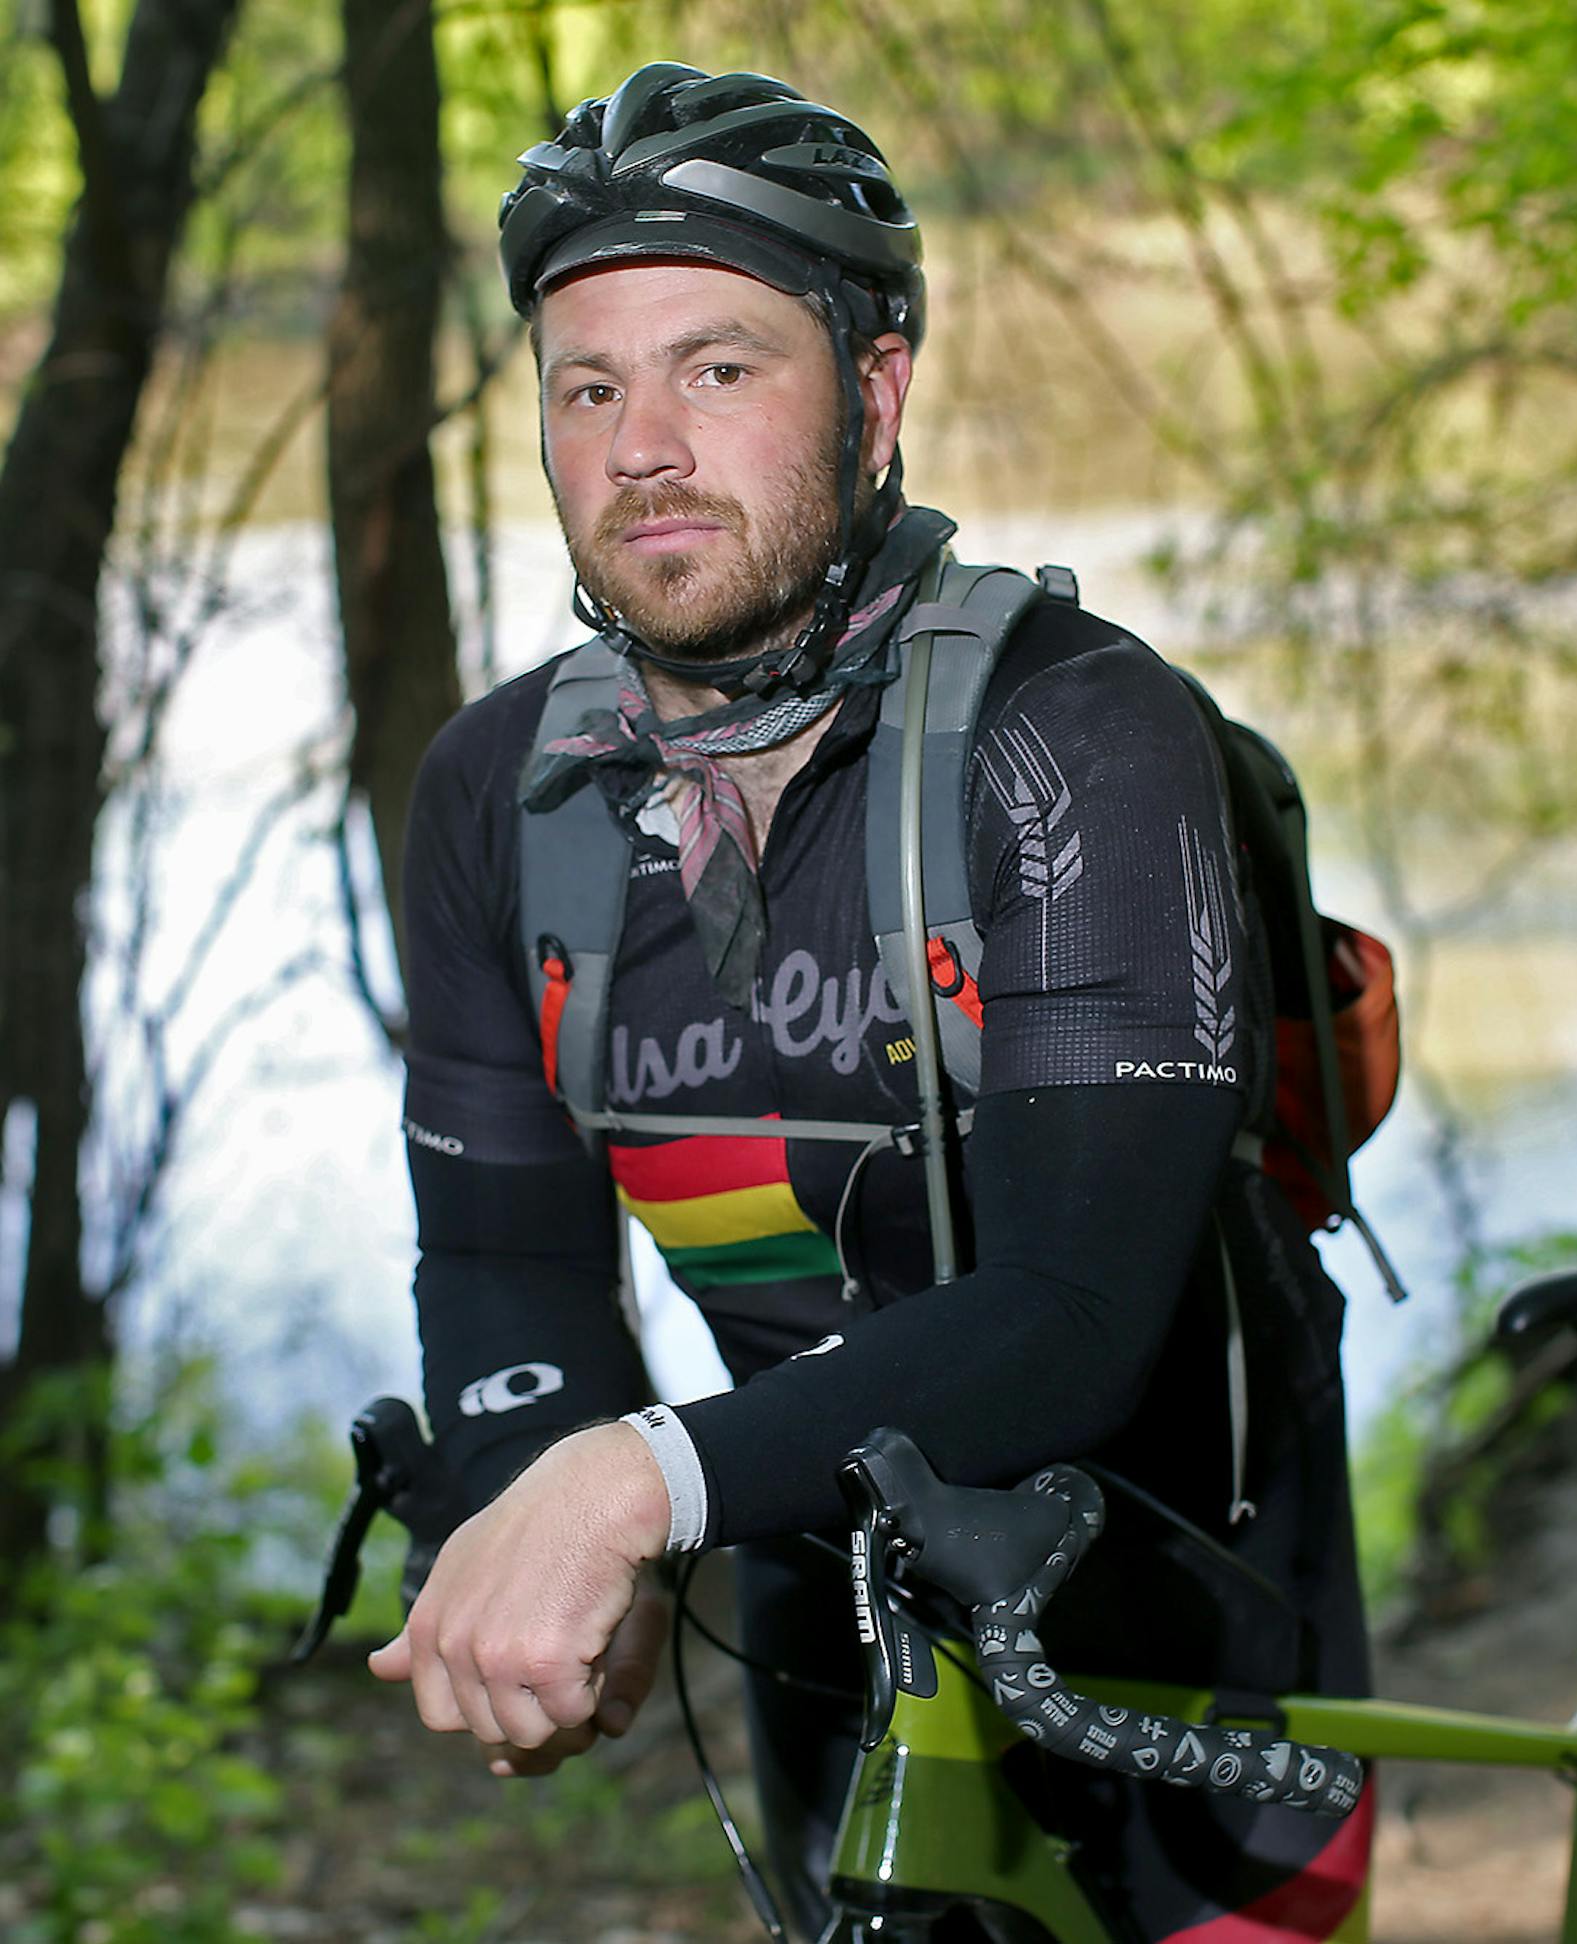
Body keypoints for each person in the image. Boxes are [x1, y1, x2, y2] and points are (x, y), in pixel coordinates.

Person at [368, 62, 1371, 1941]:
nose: (642, 443)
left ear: (876, 387)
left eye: (717, 367)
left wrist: (630, 1485)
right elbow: (503, 1259)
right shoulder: (497, 799)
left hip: (1186, 1574)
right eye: (589, 388)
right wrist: (546, 1513)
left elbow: (1071, 1314)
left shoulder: (1075, 734)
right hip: (812, 1569)